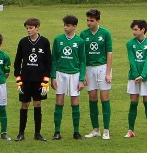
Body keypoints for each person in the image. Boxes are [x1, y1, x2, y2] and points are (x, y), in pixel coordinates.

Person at [12, 17, 52, 141]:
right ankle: (21, 133)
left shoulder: (44, 42)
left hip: (39, 80)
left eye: (30, 28)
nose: (28, 30)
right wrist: (19, 80)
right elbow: (17, 62)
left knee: (37, 103)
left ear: (37, 28)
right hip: (26, 79)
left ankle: (37, 133)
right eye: (27, 28)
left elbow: (48, 62)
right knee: (24, 104)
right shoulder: (23, 42)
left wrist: (45, 81)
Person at [48, 15, 86, 140]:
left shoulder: (80, 41)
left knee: (75, 102)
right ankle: (57, 131)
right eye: (64, 25)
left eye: (68, 25)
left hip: (74, 74)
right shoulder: (58, 40)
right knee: (59, 101)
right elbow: (53, 60)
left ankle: (76, 131)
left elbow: (82, 61)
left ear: (74, 26)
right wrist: (53, 77)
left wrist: (81, 80)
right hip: (60, 74)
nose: (65, 27)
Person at [81, 9, 114, 139]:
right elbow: (82, 56)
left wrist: (108, 72)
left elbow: (109, 53)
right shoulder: (83, 34)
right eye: (87, 20)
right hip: (89, 68)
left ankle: (106, 130)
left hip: (102, 68)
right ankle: (96, 129)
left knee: (104, 98)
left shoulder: (105, 33)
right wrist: (83, 73)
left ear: (98, 21)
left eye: (91, 21)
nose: (89, 23)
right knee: (92, 98)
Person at [124, 19, 147, 139]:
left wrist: (142, 75)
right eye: (133, 29)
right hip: (133, 78)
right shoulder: (130, 44)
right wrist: (135, 75)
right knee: (133, 103)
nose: (133, 32)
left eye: (135, 29)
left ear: (143, 29)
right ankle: (131, 130)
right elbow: (131, 60)